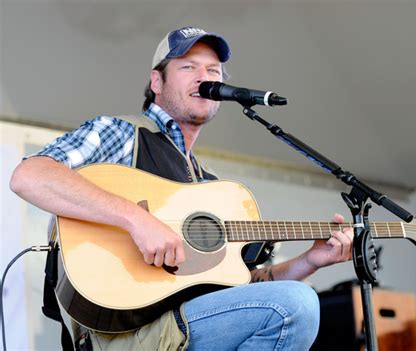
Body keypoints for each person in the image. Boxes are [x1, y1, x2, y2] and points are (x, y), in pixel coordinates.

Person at [10, 26, 353, 350]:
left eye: (214, 71)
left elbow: (247, 289)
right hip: (126, 331)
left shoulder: (213, 187)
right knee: (296, 304)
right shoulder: (122, 134)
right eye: (189, 67)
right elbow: (31, 176)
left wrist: (310, 261)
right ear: (156, 81)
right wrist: (136, 219)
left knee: (294, 298)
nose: (205, 78)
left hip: (189, 325)